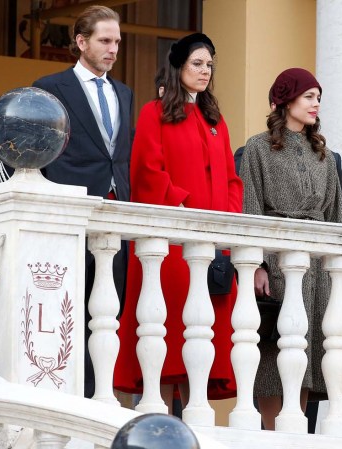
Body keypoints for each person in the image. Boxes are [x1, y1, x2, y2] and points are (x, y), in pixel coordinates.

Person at [113, 33, 242, 412]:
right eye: (197, 64)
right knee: (167, 333)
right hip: (170, 244)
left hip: (211, 245)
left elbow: (233, 180)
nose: (205, 72)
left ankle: (193, 420)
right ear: (179, 67)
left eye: (209, 66)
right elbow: (148, 171)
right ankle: (159, 417)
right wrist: (185, 207)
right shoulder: (154, 112)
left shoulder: (215, 118)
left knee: (206, 335)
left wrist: (228, 218)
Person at [32, 4, 133, 398]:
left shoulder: (123, 93)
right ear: (81, 42)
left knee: (108, 313)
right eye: (105, 41)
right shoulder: (50, 87)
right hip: (69, 215)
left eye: (118, 42)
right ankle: (63, 399)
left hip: (114, 218)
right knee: (63, 312)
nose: (113, 49)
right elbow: (39, 149)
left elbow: (117, 156)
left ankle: (96, 398)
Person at [239, 67, 342, 430]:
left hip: (317, 266)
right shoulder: (257, 147)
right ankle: (271, 431)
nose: (316, 104)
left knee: (309, 350)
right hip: (276, 261)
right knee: (274, 350)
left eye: (318, 98)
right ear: (287, 100)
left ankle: (296, 429)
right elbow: (250, 207)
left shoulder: (325, 156)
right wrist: (256, 265)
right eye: (309, 96)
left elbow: (335, 217)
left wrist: (337, 270)